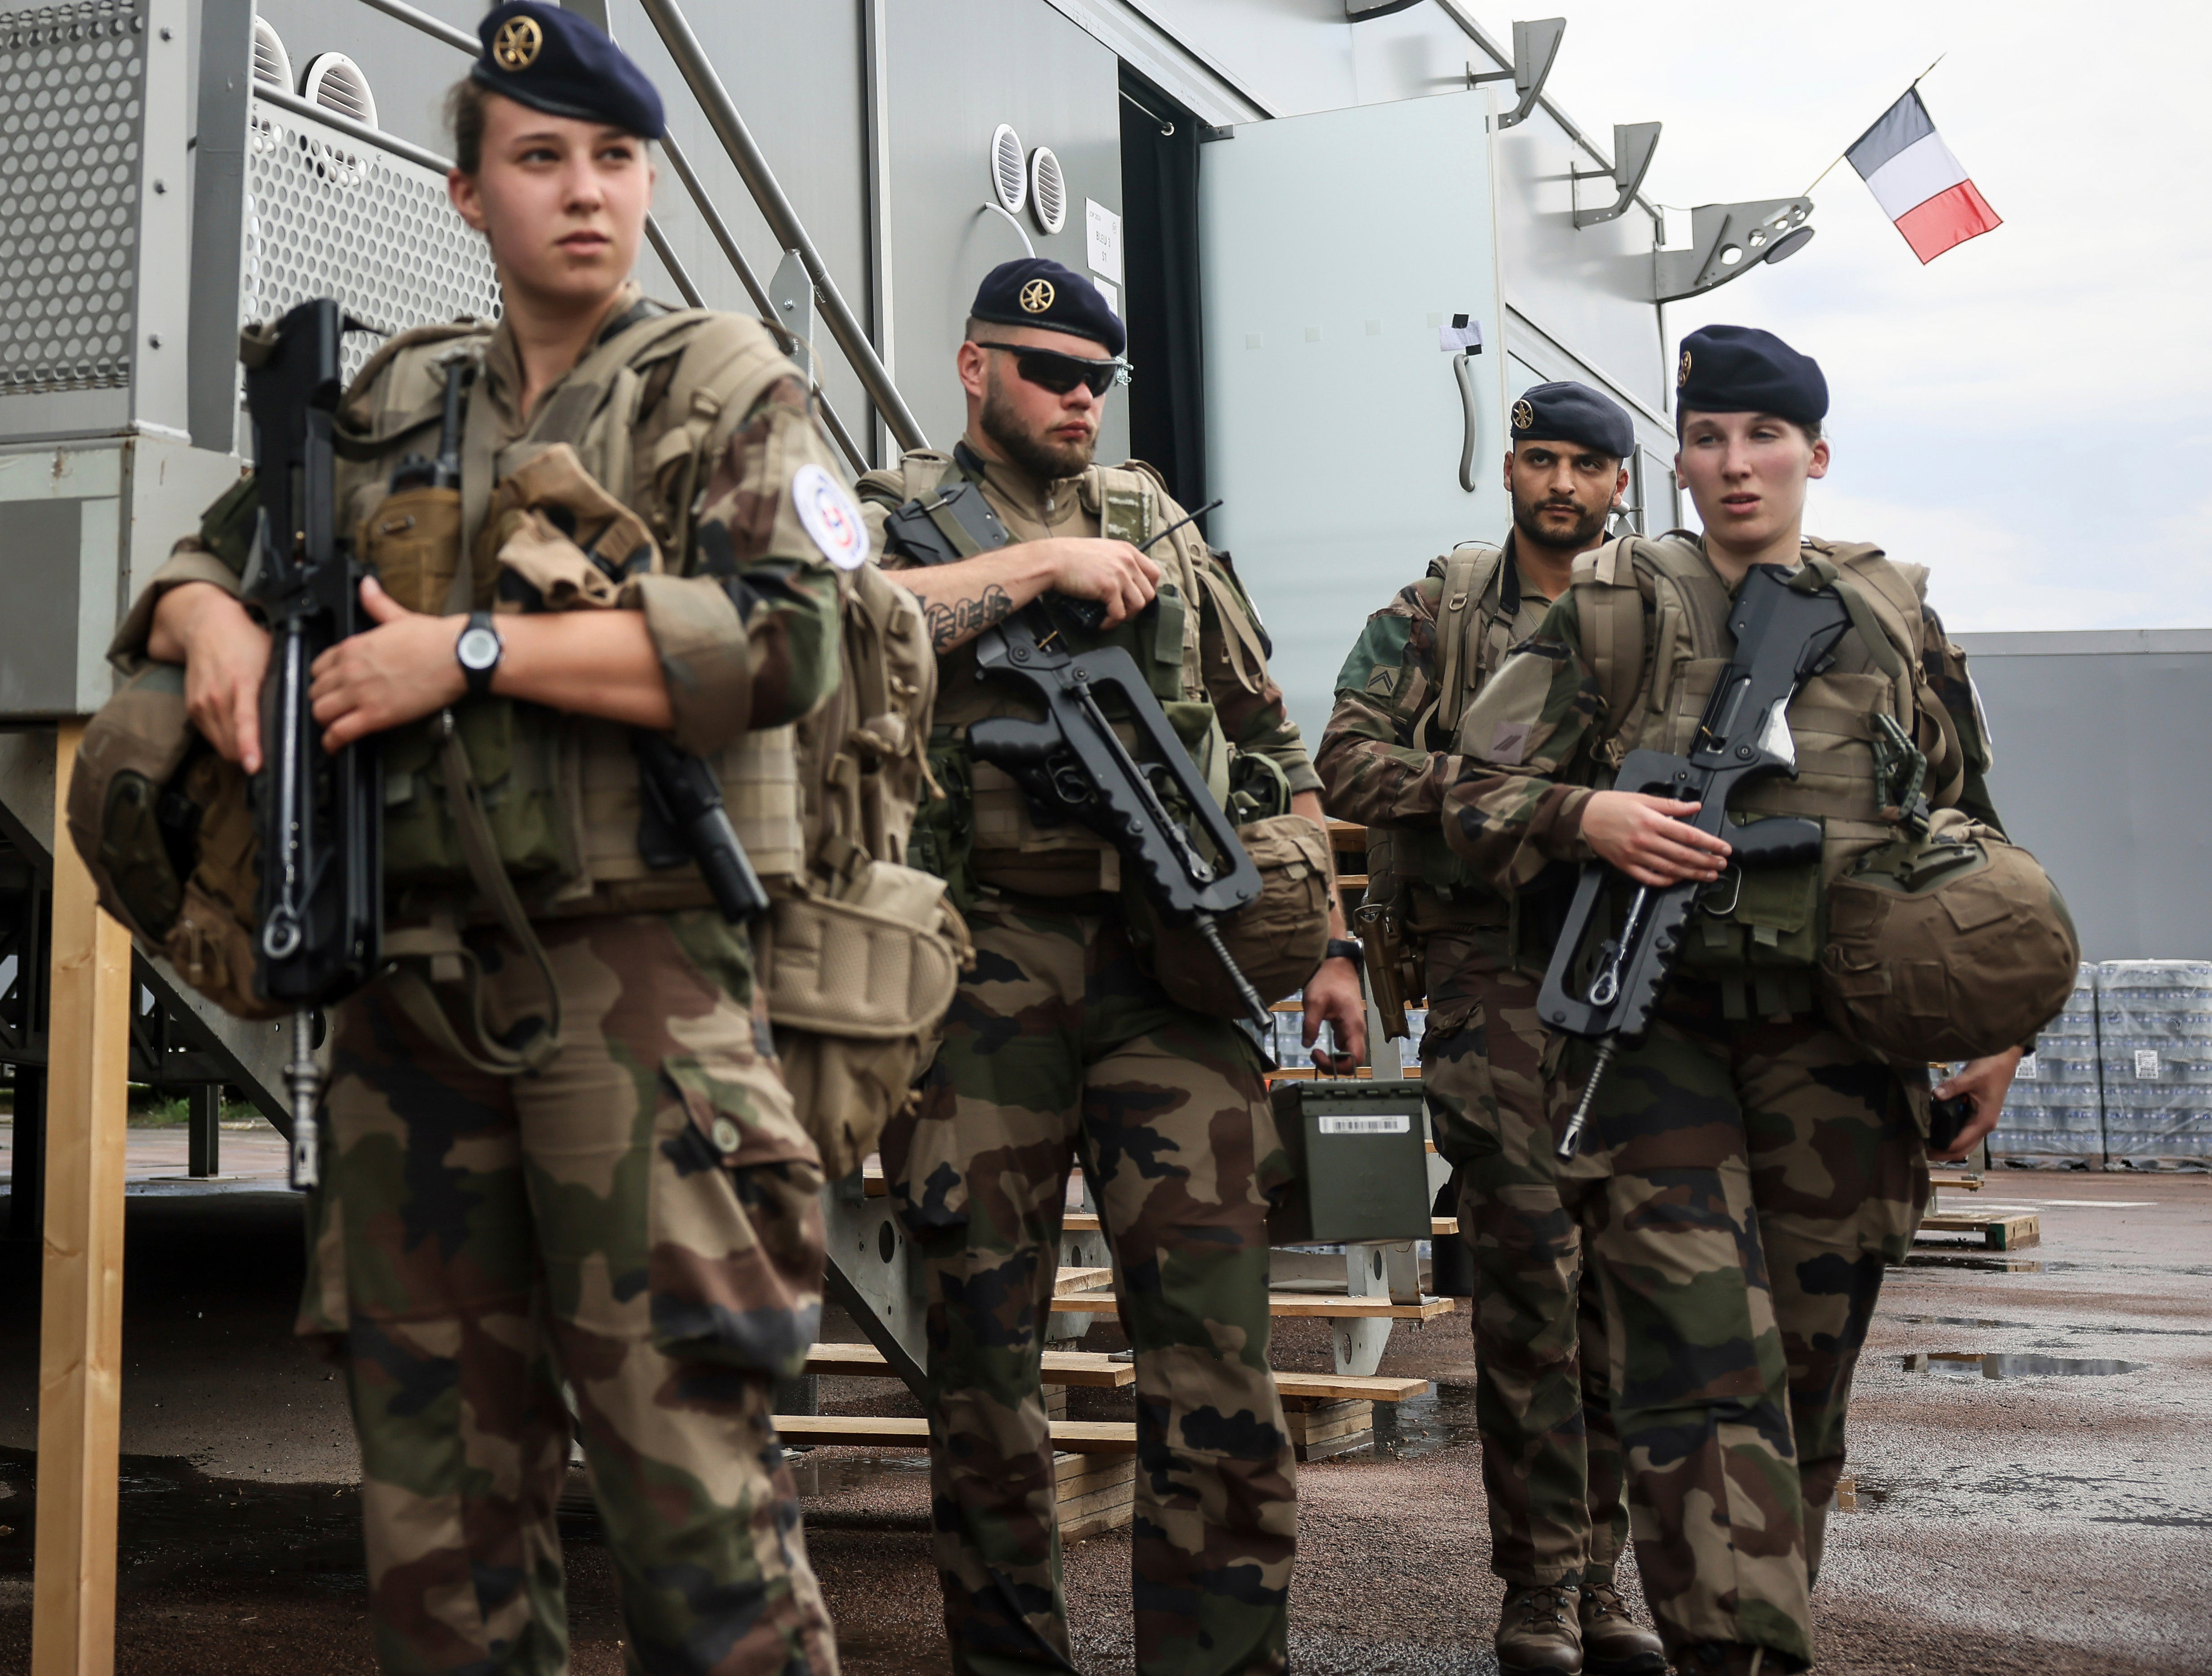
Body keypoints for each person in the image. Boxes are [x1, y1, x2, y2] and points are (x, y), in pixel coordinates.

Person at [121, 0, 852, 1676]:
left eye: (614, 159)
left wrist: (467, 650)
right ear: (467, 195)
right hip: (406, 1000)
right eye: (540, 160)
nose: (585, 192)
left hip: (637, 992)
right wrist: (204, 620)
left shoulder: (720, 386)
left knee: (693, 1501)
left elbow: (785, 641)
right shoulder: (389, 396)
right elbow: (201, 560)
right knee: (435, 1514)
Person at [1442, 326, 2023, 1676]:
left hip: (1843, 1045)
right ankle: (1736, 1654)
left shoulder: (1889, 614)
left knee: (1804, 1388)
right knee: (1703, 1380)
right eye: (1708, 436)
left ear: (1814, 454)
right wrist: (1590, 813)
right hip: (1662, 1047)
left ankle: (1767, 1621)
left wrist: (1997, 1024)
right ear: (1682, 459)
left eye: (1764, 437)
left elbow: (1969, 826)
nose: (1735, 463)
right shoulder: (1609, 606)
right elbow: (1470, 794)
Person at [859, 260, 1358, 1676]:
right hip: (977, 967)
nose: (1080, 397)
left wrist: (1324, 936)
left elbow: (1271, 742)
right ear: (973, 368)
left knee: (1215, 1359)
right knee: (982, 1364)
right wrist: (1032, 569)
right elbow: (824, 636)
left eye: (1097, 378)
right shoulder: (887, 509)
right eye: (1048, 370)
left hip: (1169, 969)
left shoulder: (1161, 523)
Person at [1318, 380, 1666, 1675]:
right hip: (1494, 982)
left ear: (1622, 481)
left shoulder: (1667, 613)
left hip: (1637, 986)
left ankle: (1607, 1579)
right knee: (1528, 1295)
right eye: (1540, 458)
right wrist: (1531, 801)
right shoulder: (1442, 612)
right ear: (1509, 469)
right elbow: (1344, 762)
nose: (1562, 482)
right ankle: (1535, 1591)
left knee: (1624, 1309)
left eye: (1588, 463)